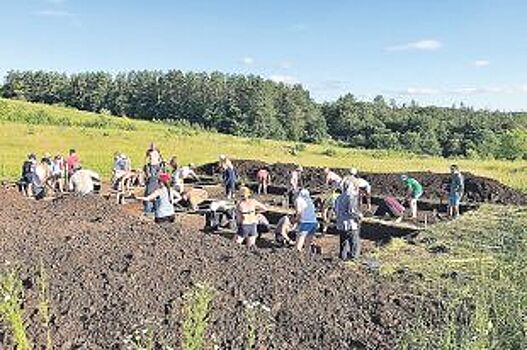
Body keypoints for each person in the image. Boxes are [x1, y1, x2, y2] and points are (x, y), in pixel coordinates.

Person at [335, 180, 362, 260]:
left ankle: (342, 258)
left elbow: (335, 210)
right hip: (350, 224)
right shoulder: (351, 197)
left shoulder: (339, 197)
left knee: (343, 243)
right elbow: (352, 211)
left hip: (341, 224)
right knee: (354, 242)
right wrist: (359, 216)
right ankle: (354, 259)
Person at [144, 143, 163, 214]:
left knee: (157, 177)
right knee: (152, 177)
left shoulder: (157, 151)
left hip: (157, 164)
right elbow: (145, 158)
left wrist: (161, 162)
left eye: (154, 146)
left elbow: (161, 157)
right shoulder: (149, 151)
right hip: (152, 165)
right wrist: (146, 166)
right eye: (152, 146)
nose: (153, 147)